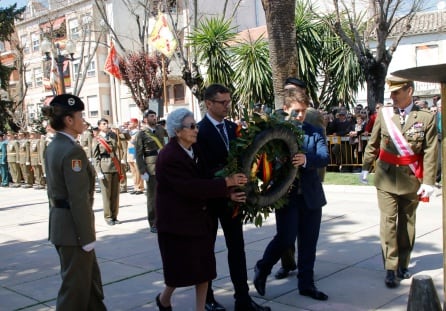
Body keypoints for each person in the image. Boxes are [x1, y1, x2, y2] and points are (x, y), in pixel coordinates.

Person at [155, 108, 248, 311]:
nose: (196, 130)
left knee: (205, 270)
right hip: (177, 224)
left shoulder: (194, 149)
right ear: (178, 131)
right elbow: (191, 187)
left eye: (196, 125)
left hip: (199, 219)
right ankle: (164, 300)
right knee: (178, 273)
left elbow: (206, 176)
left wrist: (228, 192)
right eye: (192, 126)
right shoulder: (169, 156)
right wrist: (226, 182)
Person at [197, 83, 270, 311]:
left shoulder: (232, 128)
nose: (227, 106)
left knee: (237, 249)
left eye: (229, 101)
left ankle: (243, 299)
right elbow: (202, 171)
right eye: (222, 102)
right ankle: (207, 299)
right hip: (210, 201)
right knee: (206, 252)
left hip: (234, 201)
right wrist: (225, 186)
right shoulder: (199, 132)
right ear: (209, 103)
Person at [360, 76, 438, 288]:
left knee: (407, 223)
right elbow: (373, 142)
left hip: (412, 179)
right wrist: (366, 166)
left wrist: (429, 181)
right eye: (391, 92)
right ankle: (390, 267)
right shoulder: (384, 115)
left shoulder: (426, 117)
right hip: (386, 178)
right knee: (388, 222)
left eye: (396, 92)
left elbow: (431, 150)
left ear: (409, 91)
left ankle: (403, 262)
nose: (392, 96)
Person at [253, 87, 329, 301]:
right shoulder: (274, 132)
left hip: (311, 196)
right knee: (285, 238)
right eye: (296, 110)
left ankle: (307, 284)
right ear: (285, 109)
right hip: (287, 196)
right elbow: (261, 162)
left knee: (309, 243)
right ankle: (263, 268)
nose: (301, 115)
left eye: (304, 111)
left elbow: (323, 157)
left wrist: (306, 160)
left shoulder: (314, 131)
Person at [41, 94, 106, 310]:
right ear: (69, 120)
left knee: (89, 286)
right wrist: (86, 236)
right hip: (74, 230)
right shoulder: (72, 150)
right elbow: (78, 198)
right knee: (75, 291)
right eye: (80, 116)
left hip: (63, 226)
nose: (83, 120)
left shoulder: (54, 145)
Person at [135, 110, 166, 232]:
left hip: (163, 165)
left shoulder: (160, 129)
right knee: (153, 196)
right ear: (145, 119)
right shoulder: (141, 134)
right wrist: (142, 171)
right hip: (151, 167)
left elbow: (168, 141)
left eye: (155, 116)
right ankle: (153, 222)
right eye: (151, 116)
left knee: (165, 194)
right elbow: (138, 154)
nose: (154, 118)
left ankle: (164, 219)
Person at [92, 118, 123, 226]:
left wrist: (120, 130)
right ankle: (108, 216)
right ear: (99, 126)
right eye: (103, 124)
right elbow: (95, 157)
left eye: (107, 123)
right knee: (106, 194)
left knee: (115, 194)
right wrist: (98, 171)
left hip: (114, 165)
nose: (106, 125)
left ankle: (115, 216)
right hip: (104, 167)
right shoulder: (96, 139)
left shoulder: (113, 136)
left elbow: (124, 140)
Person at [127, 118, 144, 195]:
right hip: (130, 153)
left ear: (136, 124)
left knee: (138, 172)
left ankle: (140, 187)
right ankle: (135, 186)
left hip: (135, 154)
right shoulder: (129, 133)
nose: (129, 124)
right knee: (133, 172)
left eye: (131, 123)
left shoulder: (138, 133)